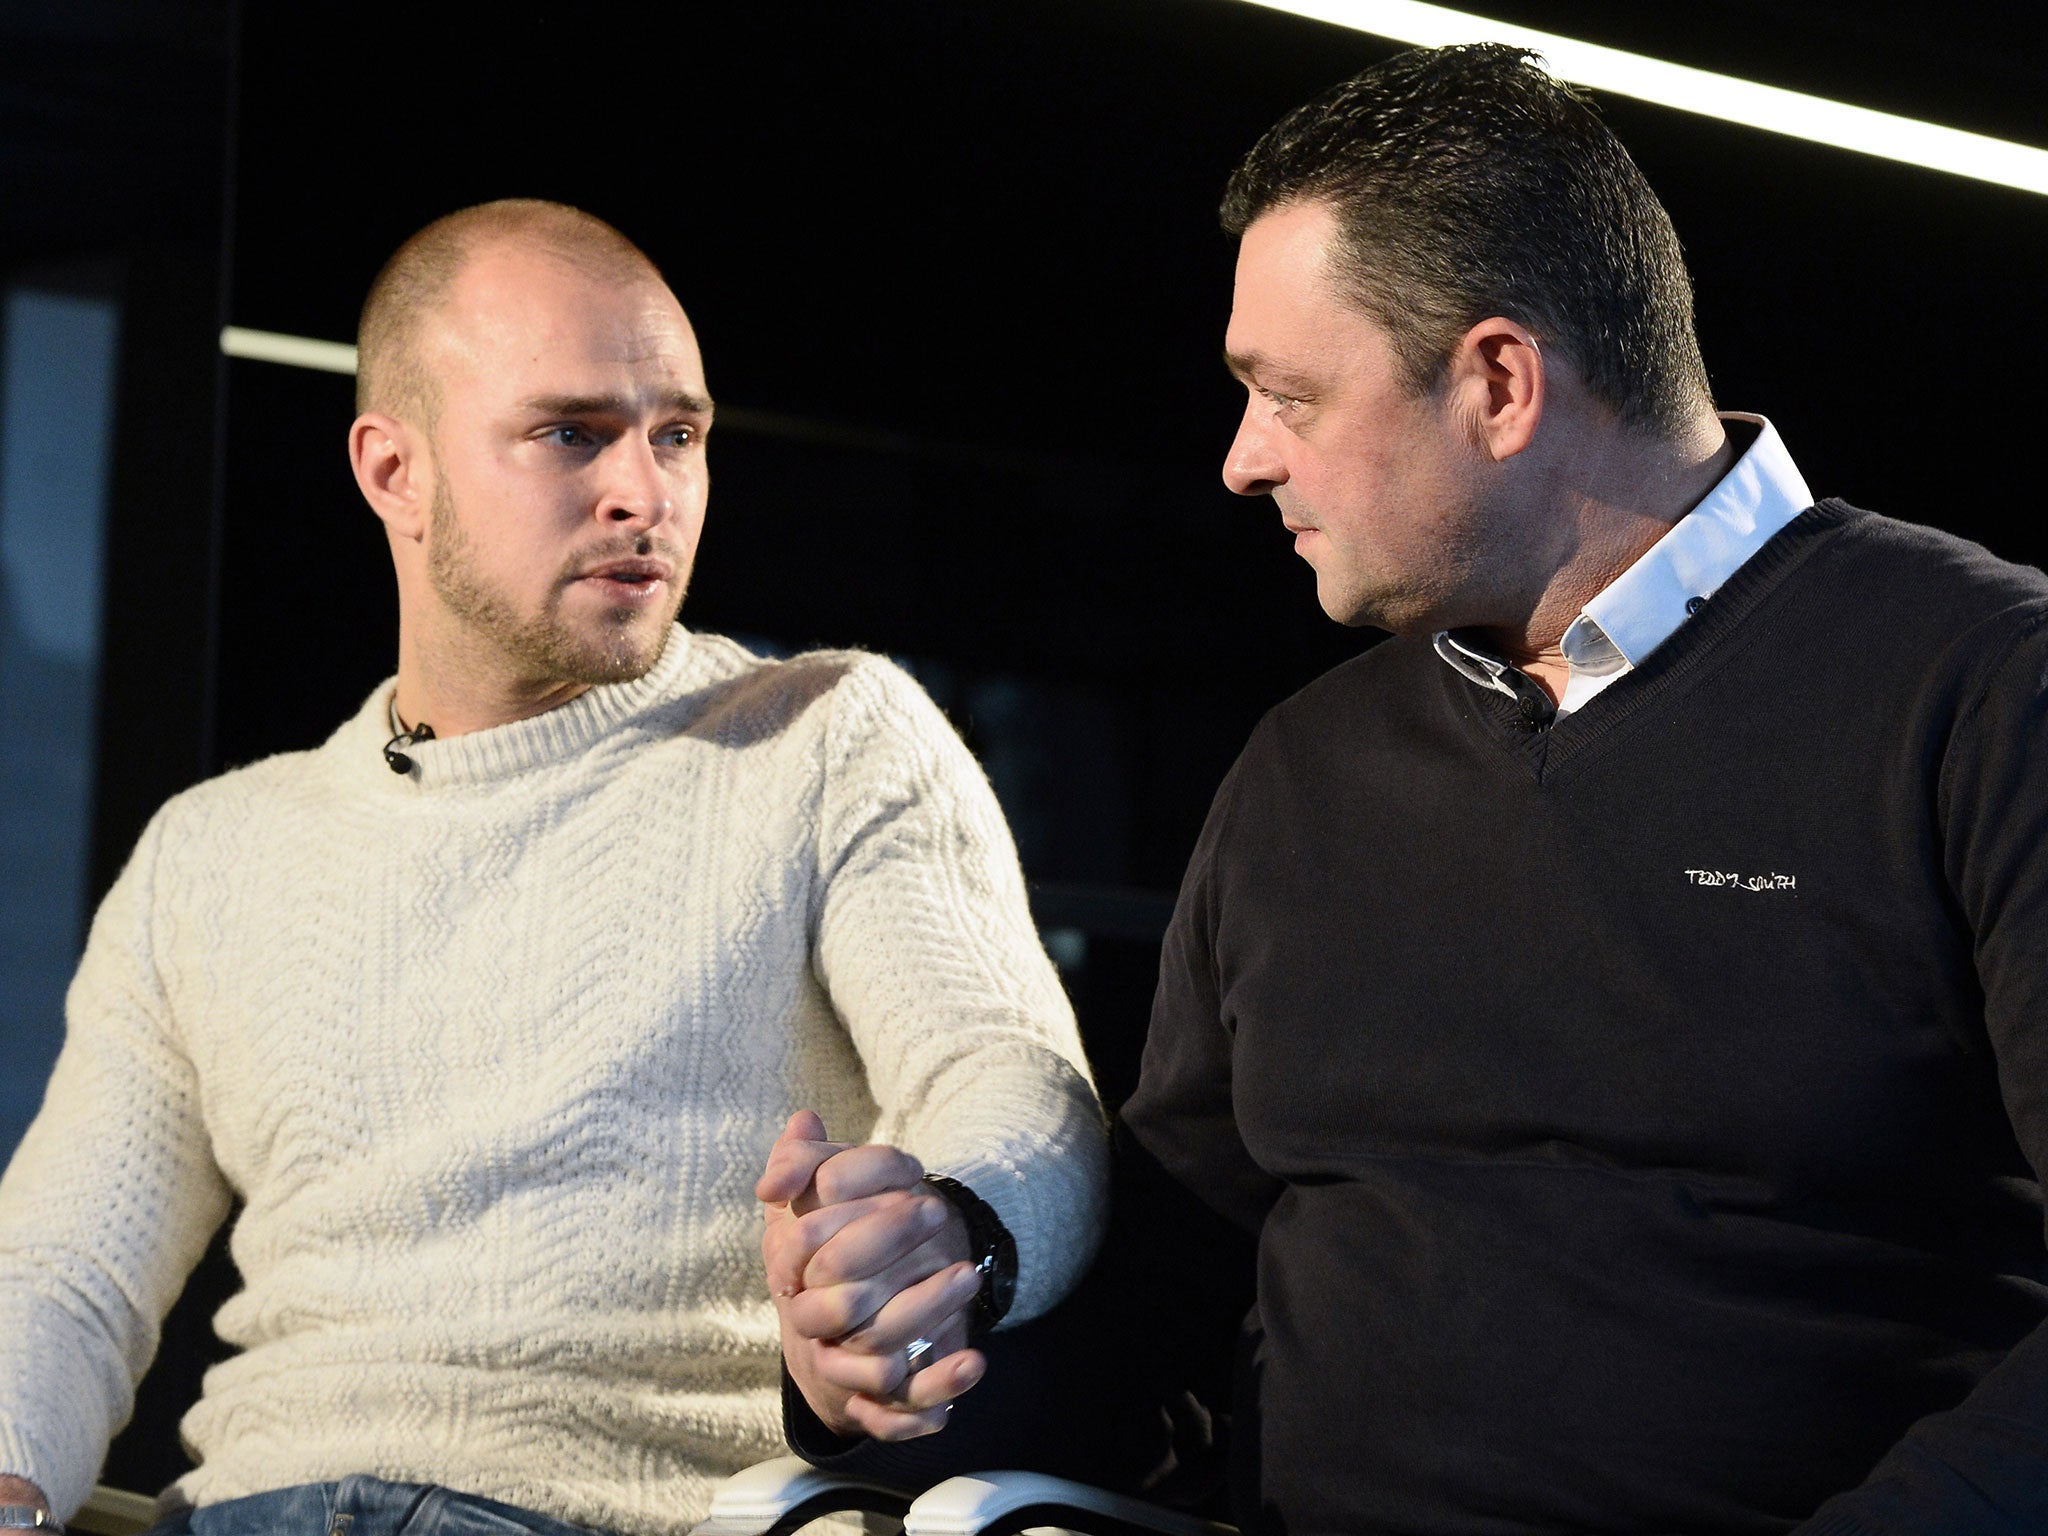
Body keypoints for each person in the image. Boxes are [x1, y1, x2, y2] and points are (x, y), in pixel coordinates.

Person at [0, 199, 1106, 1536]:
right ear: (395, 472)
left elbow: (1016, 1085)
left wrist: (946, 1238)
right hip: (246, 1504)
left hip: (622, 1508)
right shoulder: (211, 851)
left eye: (677, 434)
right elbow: (65, 1269)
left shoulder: (823, 737)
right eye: (572, 433)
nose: (646, 491)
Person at [1117, 43, 2048, 1536]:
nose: (1242, 461)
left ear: (1498, 383)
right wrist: (915, 1328)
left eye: (1287, 396)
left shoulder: (1988, 689)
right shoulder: (1300, 768)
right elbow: (1162, 1272)